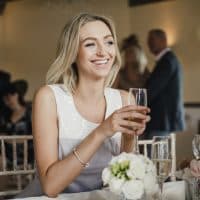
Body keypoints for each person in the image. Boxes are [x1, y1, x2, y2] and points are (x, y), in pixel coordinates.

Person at [16, 13, 150, 198]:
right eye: (90, 44)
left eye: (109, 42)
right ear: (72, 53)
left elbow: (125, 173)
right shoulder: (49, 98)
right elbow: (50, 187)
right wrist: (102, 131)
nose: (103, 52)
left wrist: (128, 138)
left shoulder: (125, 99)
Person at [145, 29, 185, 140]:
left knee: (155, 156)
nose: (149, 43)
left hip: (162, 121)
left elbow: (152, 90)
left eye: (152, 39)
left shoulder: (167, 61)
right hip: (162, 121)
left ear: (164, 40)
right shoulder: (168, 59)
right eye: (148, 40)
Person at [0, 81, 34, 166]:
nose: (7, 101)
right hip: (8, 160)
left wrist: (8, 139)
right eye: (4, 99)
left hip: (27, 159)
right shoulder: (4, 115)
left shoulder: (30, 111)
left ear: (16, 95)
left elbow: (33, 136)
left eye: (9, 97)